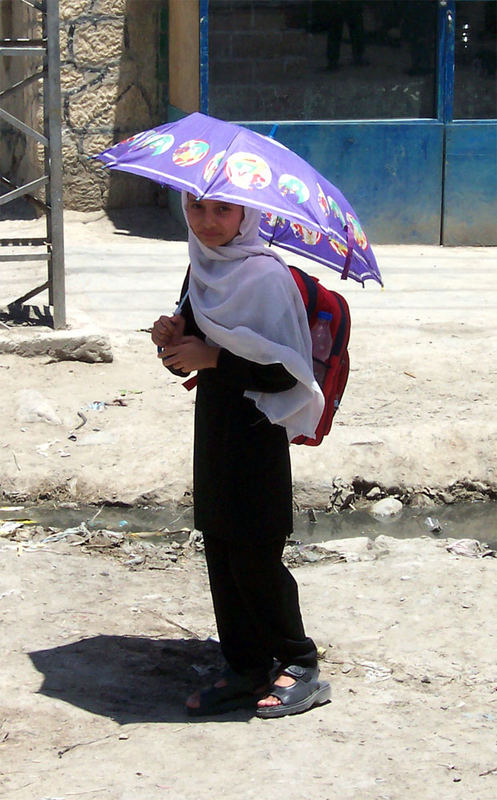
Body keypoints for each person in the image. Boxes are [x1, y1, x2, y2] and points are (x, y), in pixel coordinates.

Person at [151, 191, 331, 718]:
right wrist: (171, 342)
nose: (208, 221)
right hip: (215, 429)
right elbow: (185, 363)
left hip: (257, 434)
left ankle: (300, 661)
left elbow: (289, 371)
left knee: (255, 553)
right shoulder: (200, 271)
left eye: (222, 210)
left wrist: (214, 357)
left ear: (247, 215)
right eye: (195, 208)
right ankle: (245, 665)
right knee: (220, 549)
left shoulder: (267, 277)